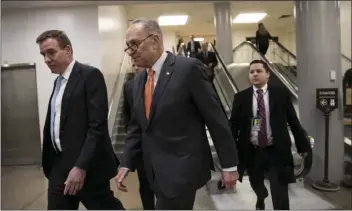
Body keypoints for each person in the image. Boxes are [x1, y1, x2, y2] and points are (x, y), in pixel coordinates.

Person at [115, 18, 239, 210]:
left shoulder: (188, 69)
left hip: (182, 169)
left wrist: (229, 165)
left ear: (154, 40)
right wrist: (126, 163)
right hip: (154, 172)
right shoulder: (138, 81)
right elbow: (137, 126)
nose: (131, 51)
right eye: (128, 46)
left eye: (135, 44)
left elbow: (216, 119)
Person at [36, 30, 124, 210]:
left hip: (87, 168)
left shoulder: (89, 75)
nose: (46, 59)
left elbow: (97, 127)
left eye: (51, 52)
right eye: (43, 54)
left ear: (67, 50)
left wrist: (80, 167)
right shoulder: (58, 82)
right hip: (59, 167)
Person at [229, 59, 311, 210]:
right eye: (252, 72)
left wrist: (303, 145)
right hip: (253, 151)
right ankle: (261, 196)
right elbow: (233, 125)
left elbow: (293, 120)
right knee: (256, 183)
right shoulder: (241, 98)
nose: (255, 74)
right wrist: (229, 151)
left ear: (268, 74)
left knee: (280, 191)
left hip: (276, 150)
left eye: (259, 71)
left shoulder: (280, 94)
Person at [122, 63, 155, 210]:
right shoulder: (129, 86)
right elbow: (127, 117)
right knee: (145, 183)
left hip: (163, 145)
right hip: (142, 146)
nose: (135, 68)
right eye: (133, 65)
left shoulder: (159, 82)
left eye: (138, 65)